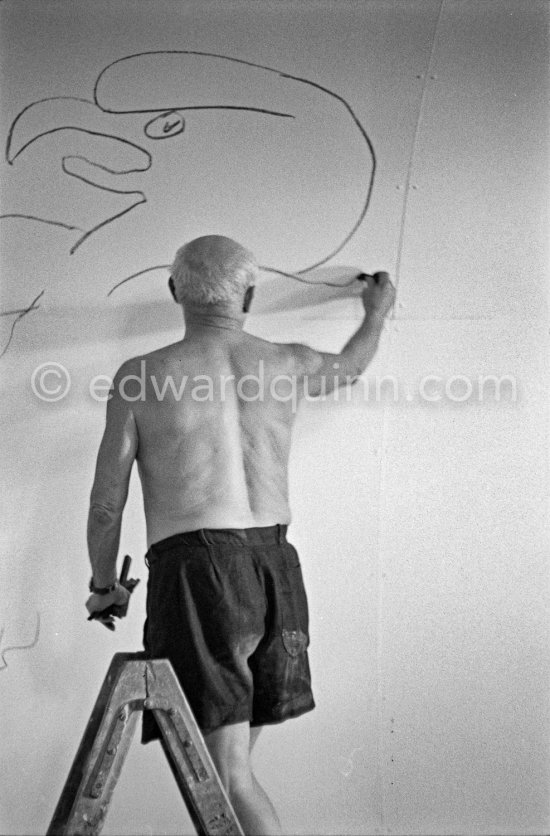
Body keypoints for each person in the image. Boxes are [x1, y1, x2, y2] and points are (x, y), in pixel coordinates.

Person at [85, 235, 395, 835]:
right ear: (250, 294)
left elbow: (106, 503)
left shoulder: (141, 376)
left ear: (175, 292)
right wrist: (376, 313)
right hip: (276, 567)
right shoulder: (289, 361)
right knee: (229, 772)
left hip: (201, 574)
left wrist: (105, 586)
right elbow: (351, 367)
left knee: (224, 779)